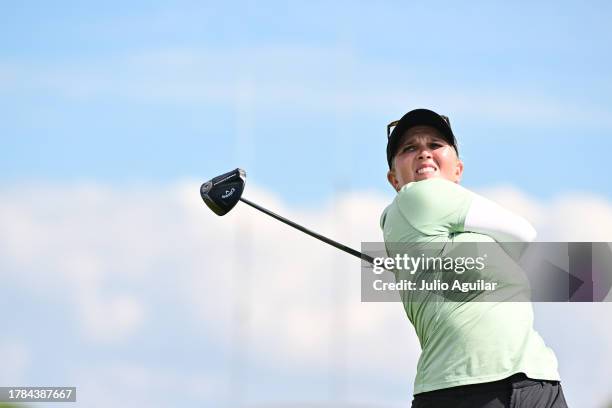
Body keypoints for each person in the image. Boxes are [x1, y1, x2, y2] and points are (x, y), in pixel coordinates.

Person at [380, 108, 569, 408]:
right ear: (394, 179)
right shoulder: (417, 197)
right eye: (409, 148)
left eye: (436, 145)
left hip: (535, 379)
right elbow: (524, 234)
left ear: (458, 169)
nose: (424, 153)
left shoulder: (449, 226)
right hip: (465, 391)